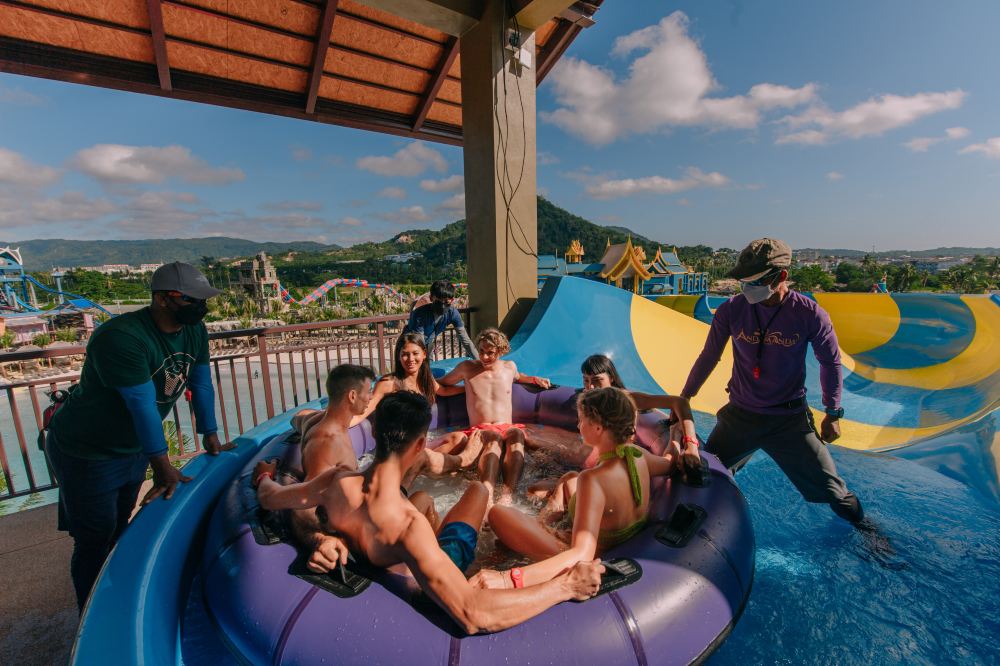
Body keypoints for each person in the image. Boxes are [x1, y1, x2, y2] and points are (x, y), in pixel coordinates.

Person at [253, 391, 604, 634]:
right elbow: (473, 614)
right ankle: (482, 543)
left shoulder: (334, 483)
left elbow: (271, 498)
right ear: (421, 444)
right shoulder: (407, 526)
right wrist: (566, 586)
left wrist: (264, 477)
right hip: (430, 561)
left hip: (380, 550)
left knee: (423, 497)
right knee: (479, 491)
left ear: (373, 431)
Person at [46, 261, 231, 610]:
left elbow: (202, 384)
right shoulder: (121, 337)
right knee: (94, 537)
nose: (200, 306)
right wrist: (162, 465)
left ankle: (116, 596)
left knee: (120, 526)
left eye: (203, 299)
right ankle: (91, 614)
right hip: (88, 449)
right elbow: (141, 404)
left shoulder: (195, 330)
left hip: (132, 447)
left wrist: (210, 434)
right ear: (162, 298)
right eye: (190, 299)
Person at [679, 238, 865, 524]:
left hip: (789, 420)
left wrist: (832, 413)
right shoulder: (731, 310)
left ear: (781, 276)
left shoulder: (809, 314)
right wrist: (684, 398)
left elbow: (830, 363)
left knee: (834, 492)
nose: (747, 288)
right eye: (744, 281)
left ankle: (870, 535)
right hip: (739, 417)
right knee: (700, 476)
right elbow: (709, 356)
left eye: (755, 282)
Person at [476, 388, 674, 589]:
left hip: (591, 553)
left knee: (498, 513)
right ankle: (544, 523)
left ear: (598, 428)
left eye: (581, 420)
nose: (578, 425)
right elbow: (669, 464)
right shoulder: (636, 454)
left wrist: (509, 579)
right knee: (570, 477)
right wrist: (679, 436)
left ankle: (543, 531)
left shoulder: (593, 480)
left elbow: (582, 555)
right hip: (621, 536)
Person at [436, 327, 551, 502]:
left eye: (490, 353)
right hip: (481, 430)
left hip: (507, 427)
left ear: (501, 351)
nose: (484, 357)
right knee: (493, 437)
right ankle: (487, 496)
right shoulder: (467, 368)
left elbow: (519, 377)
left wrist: (535, 379)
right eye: (481, 351)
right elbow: (442, 384)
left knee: (517, 434)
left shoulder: (509, 367)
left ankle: (507, 494)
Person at [580, 354, 701, 473]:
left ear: (611, 378)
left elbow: (680, 402)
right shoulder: (588, 401)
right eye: (586, 380)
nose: (591, 386)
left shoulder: (625, 399)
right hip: (608, 454)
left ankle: (675, 433)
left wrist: (690, 445)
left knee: (668, 465)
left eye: (597, 380)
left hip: (623, 453)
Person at [405, 280, 478, 360]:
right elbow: (419, 343)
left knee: (429, 364)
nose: (442, 305)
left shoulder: (453, 314)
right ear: (431, 298)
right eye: (438, 301)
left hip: (428, 343)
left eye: (446, 301)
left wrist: (480, 362)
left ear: (452, 300)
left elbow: (466, 341)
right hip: (408, 345)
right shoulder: (420, 314)